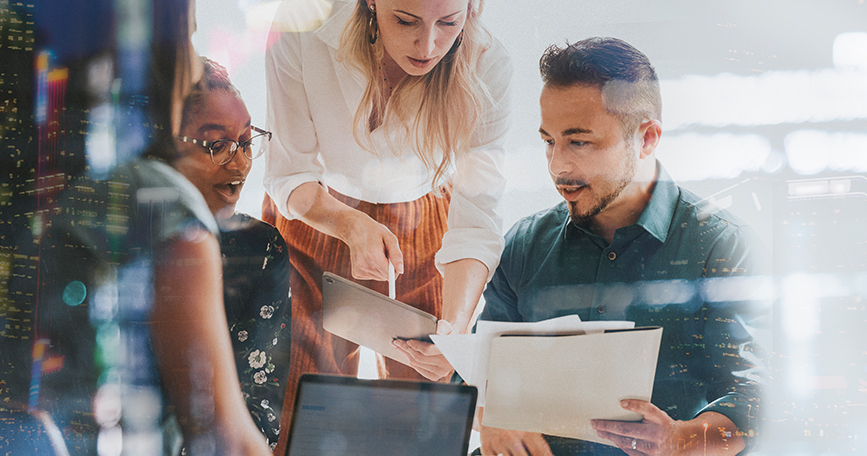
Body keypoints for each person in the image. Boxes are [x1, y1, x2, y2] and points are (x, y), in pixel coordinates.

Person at [475, 37, 766, 456]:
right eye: (548, 141)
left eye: (579, 142)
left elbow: (756, 400)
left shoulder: (720, 245)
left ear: (646, 138)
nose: (558, 166)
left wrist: (677, 440)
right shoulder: (523, 245)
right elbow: (480, 369)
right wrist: (489, 417)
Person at [261, 0, 511, 449]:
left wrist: (454, 329)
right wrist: (347, 223)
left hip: (428, 227)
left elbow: (476, 221)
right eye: (406, 20)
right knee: (294, 414)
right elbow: (288, 174)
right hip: (314, 214)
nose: (428, 44)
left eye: (448, 22)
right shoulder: (302, 21)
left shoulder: (489, 63)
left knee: (425, 421)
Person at [32, 1, 272, 454]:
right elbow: (227, 441)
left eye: (244, 142)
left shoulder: (38, 178)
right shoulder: (161, 205)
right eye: (188, 35)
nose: (236, 160)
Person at [174, 57, 292, 450]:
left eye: (245, 143)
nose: (239, 163)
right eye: (217, 145)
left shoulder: (261, 249)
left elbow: (260, 409)